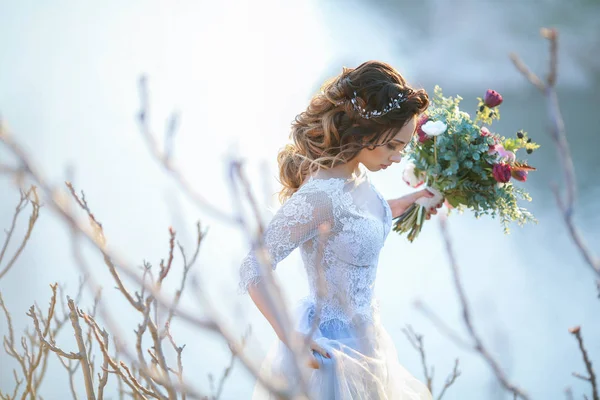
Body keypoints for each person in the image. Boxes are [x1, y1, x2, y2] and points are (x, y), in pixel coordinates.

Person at [239, 61, 440, 399]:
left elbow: (350, 227)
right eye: (392, 146)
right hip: (330, 352)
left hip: (368, 341)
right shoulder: (318, 195)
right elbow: (252, 266)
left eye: (403, 147)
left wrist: (405, 202)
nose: (397, 157)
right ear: (364, 132)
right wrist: (289, 335)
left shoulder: (356, 175)